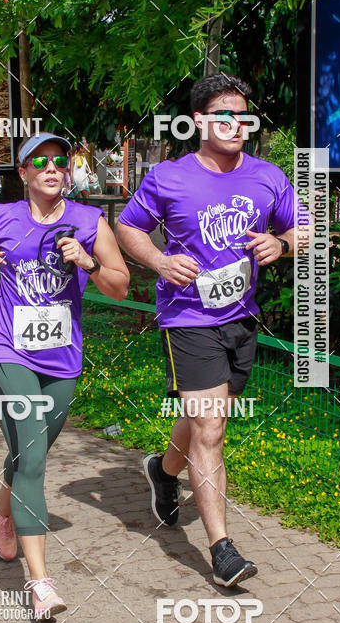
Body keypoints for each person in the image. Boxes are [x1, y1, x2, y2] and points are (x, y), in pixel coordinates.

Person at [116, 74, 306, 587]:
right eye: (224, 115)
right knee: (212, 429)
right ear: (199, 121)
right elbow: (128, 226)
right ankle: (222, 551)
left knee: (209, 420)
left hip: (241, 319)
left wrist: (282, 245)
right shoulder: (168, 177)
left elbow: (303, 227)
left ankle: (163, 471)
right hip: (187, 318)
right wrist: (159, 259)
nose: (236, 124)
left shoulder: (269, 176)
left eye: (243, 116)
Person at [0, 132, 129, 619]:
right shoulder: (2, 217)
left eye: (61, 160)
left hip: (62, 358)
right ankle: (40, 584)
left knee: (30, 451)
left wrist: (89, 261)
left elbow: (119, 287)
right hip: (6, 348)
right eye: (41, 161)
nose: (53, 167)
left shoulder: (90, 220)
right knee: (34, 455)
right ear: (24, 173)